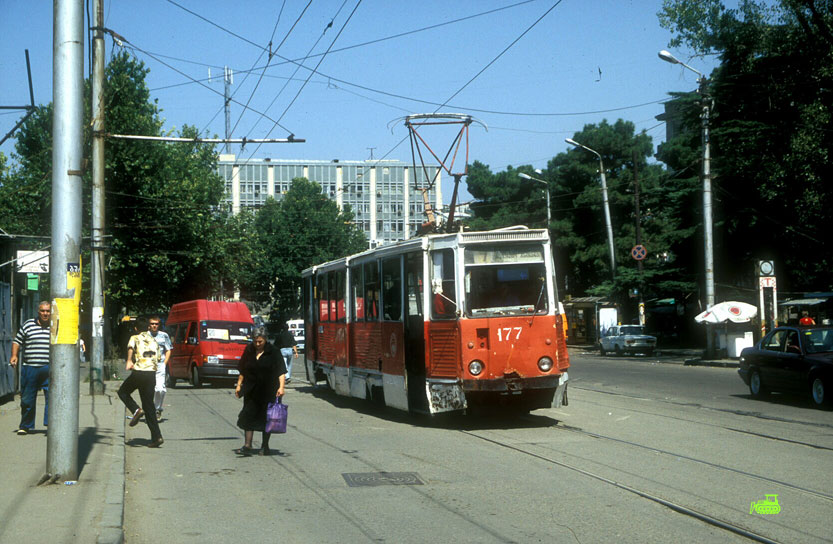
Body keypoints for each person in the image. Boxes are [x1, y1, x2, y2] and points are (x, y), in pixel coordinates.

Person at [234, 327, 285, 456]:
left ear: (265, 340)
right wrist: (239, 385)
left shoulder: (274, 352)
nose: (257, 344)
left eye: (260, 342)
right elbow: (243, 370)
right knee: (248, 415)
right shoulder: (249, 350)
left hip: (268, 390)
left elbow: (281, 371)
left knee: (266, 418)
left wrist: (281, 387)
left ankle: (265, 446)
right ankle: (247, 445)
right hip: (251, 389)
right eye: (255, 341)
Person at [118, 318, 164, 447]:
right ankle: (157, 437)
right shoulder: (154, 341)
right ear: (148, 328)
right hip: (151, 375)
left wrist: (129, 360)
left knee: (123, 392)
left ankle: (135, 409)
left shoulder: (135, 337)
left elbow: (131, 348)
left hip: (139, 372)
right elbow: (159, 357)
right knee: (149, 406)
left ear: (136, 328)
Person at [9, 301, 52, 435]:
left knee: (51, 398)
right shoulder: (28, 325)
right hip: (30, 368)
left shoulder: (55, 326)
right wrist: (14, 355)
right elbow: (17, 341)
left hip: (49, 368)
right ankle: (25, 425)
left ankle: (51, 425)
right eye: (43, 311)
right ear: (38, 312)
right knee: (27, 399)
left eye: (48, 311)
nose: (45, 313)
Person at [148, 317, 173, 421]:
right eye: (152, 324)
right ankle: (148, 410)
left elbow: (168, 350)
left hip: (160, 365)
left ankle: (158, 409)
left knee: (160, 389)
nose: (154, 326)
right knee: (148, 389)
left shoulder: (164, 335)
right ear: (149, 325)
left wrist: (164, 363)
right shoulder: (144, 336)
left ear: (159, 325)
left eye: (156, 324)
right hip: (147, 365)